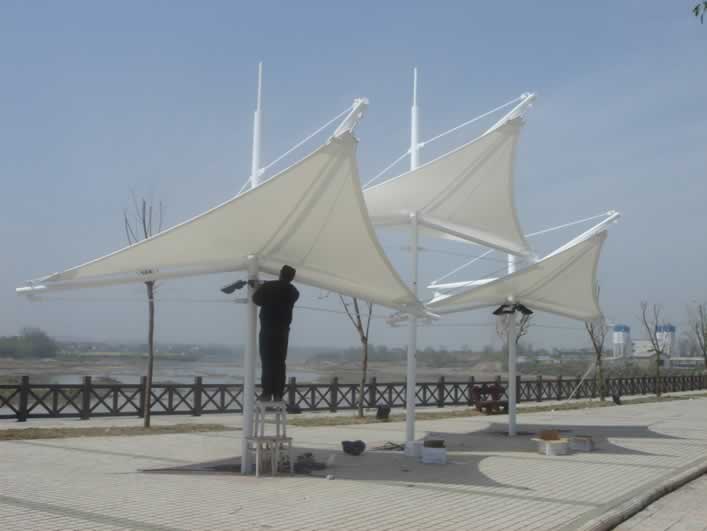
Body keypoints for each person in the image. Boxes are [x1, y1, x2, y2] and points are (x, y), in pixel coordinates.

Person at [252, 265, 299, 402]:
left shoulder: (268, 287)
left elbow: (256, 300)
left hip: (267, 329)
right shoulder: (294, 291)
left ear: (280, 273)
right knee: (280, 363)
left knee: (267, 361)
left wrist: (262, 287)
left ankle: (267, 393)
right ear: (292, 278)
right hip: (283, 331)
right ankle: (278, 394)